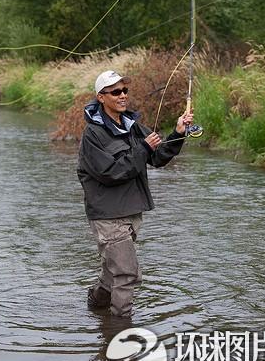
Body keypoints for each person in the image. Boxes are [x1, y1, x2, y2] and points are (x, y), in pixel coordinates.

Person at [77, 70, 193, 317]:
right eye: (116, 92)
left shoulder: (132, 127)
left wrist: (178, 133)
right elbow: (110, 172)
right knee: (127, 273)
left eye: (125, 90)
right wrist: (142, 148)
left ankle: (95, 309)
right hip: (108, 216)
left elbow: (158, 157)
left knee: (113, 273)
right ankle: (119, 333)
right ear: (101, 97)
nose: (122, 96)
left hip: (132, 212)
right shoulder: (92, 135)